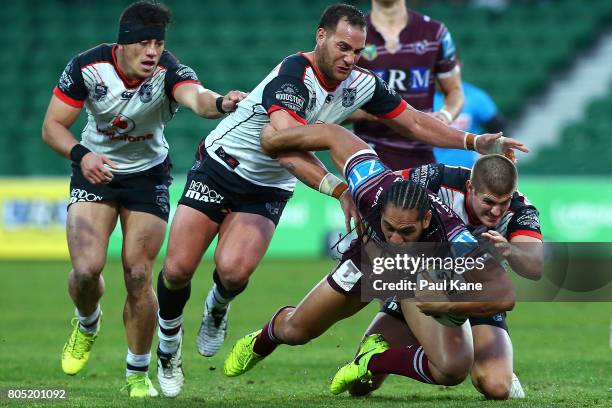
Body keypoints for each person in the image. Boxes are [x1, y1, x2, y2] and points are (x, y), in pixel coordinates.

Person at [154, 3, 525, 397]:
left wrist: (474, 141)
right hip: (223, 164)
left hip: (274, 186)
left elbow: (415, 121)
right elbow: (282, 145)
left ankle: (220, 305)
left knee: (232, 273)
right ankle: (194, 346)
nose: (350, 58)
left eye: (357, 51)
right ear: (321, 37)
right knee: (183, 272)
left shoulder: (365, 92)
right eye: (343, 48)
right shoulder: (294, 79)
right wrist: (338, 186)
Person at [222, 122, 522, 393]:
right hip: (366, 262)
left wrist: (447, 303)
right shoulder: (369, 185)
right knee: (296, 331)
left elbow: (504, 293)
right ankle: (262, 341)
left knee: (451, 369)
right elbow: (334, 134)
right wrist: (284, 142)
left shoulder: (453, 234)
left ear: (427, 221)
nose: (395, 239)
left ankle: (374, 359)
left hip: (416, 278)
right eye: (389, 228)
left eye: (407, 232)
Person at [42, 0, 245, 397]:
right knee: (86, 270)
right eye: (145, 43)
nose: (153, 51)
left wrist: (221, 103)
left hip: (148, 176)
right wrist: (83, 157)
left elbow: (197, 97)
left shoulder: (169, 69)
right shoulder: (87, 66)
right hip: (94, 171)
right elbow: (52, 127)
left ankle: (137, 373)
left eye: (158, 43)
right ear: (123, 44)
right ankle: (86, 322)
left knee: (138, 274)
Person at [349, 156, 543, 400]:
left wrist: (510, 250)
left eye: (503, 203)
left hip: (477, 299)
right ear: (471, 188)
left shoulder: (522, 210)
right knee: (359, 385)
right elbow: (385, 189)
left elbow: (535, 267)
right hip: (423, 291)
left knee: (497, 387)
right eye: (489, 202)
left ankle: (474, 357)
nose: (496, 211)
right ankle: (379, 358)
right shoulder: (440, 179)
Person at [349, 0, 464, 169]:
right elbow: (335, 103)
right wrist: (376, 112)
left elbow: (454, 90)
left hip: (421, 154)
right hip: (368, 156)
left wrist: (445, 116)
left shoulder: (436, 33)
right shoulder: (352, 35)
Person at [433, 78, 505, 167]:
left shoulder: (475, 96)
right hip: (430, 173)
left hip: (468, 173)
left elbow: (498, 128)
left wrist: (489, 154)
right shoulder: (421, 98)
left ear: (458, 66)